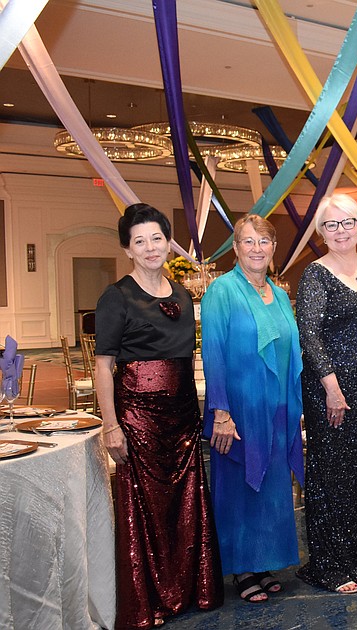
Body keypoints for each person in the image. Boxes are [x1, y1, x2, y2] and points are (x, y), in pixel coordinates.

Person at [95, 203, 222, 629]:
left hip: (183, 416)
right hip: (138, 418)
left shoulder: (183, 294)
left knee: (184, 504)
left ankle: (187, 590)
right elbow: (103, 367)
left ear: (168, 243)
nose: (150, 247)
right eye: (140, 241)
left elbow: (186, 358)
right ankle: (149, 600)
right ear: (127, 249)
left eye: (157, 239)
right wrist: (111, 425)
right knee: (147, 509)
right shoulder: (116, 296)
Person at [201, 214, 303, 603]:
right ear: (236, 248)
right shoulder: (222, 291)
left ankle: (264, 562)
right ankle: (243, 568)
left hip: (275, 409)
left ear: (274, 248)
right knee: (240, 488)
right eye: (248, 241)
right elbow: (213, 354)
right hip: (238, 412)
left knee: (272, 488)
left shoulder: (277, 293)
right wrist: (221, 413)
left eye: (264, 241)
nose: (256, 248)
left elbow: (289, 351)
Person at [295, 193, 357, 594]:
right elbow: (310, 335)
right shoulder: (315, 274)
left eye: (348, 222)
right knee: (331, 472)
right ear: (321, 231)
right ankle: (331, 564)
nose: (341, 231)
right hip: (330, 389)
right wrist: (332, 388)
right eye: (331, 224)